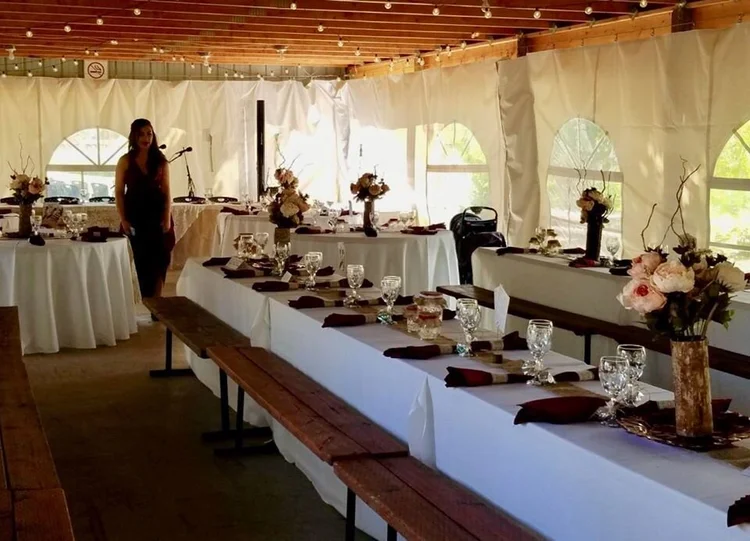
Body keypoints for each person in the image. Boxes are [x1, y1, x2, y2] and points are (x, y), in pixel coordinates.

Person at [115, 119, 175, 300]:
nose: (146, 138)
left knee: (160, 261)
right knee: (140, 262)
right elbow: (119, 192)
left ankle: (157, 303)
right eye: (141, 134)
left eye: (149, 133)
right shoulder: (125, 160)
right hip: (135, 216)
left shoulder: (161, 161)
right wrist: (123, 219)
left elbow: (167, 192)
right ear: (134, 136)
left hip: (157, 216)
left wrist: (166, 217)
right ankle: (145, 301)